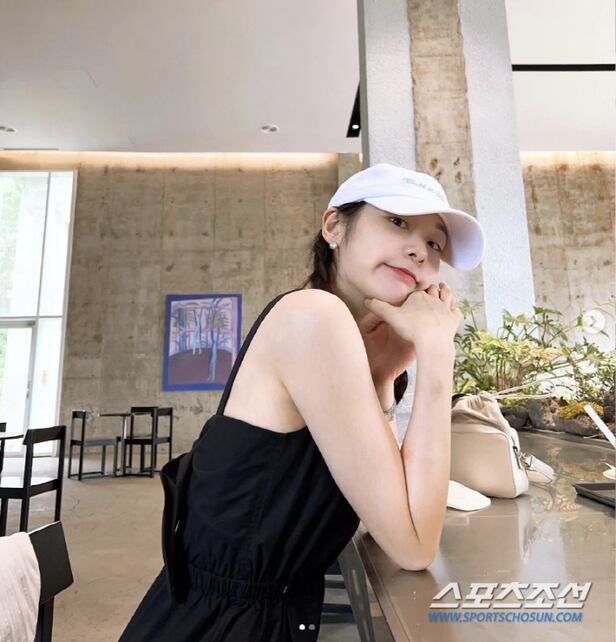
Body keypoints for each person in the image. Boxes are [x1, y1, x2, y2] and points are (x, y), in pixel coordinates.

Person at [118, 162, 485, 642]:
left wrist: (385, 375)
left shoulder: (341, 340)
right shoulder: (313, 316)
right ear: (334, 227)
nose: (419, 250)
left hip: (256, 618)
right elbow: (413, 545)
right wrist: (437, 355)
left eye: (435, 243)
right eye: (397, 221)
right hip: (220, 629)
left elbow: (387, 502)